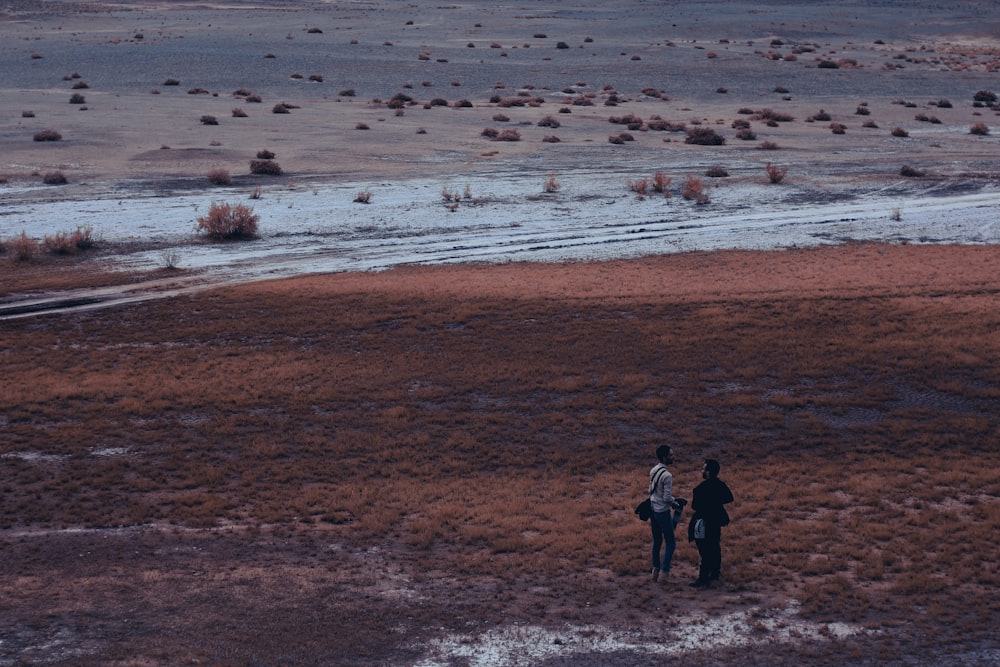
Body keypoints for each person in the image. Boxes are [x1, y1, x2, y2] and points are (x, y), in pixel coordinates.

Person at [688, 458, 734, 588]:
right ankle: (714, 574)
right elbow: (729, 498)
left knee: (704, 550)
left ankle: (703, 578)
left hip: (702, 522)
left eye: (703, 469)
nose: (702, 471)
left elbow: (695, 506)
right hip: (715, 521)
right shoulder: (720, 485)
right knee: (714, 547)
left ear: (708, 472)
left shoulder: (700, 489)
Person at [648, 445, 685, 582]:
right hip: (663, 512)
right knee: (670, 543)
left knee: (657, 541)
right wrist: (675, 503)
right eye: (671, 455)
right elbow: (666, 498)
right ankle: (664, 573)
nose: (673, 457)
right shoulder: (667, 475)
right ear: (665, 457)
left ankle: (655, 571)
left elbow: (651, 490)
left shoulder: (654, 470)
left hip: (653, 510)